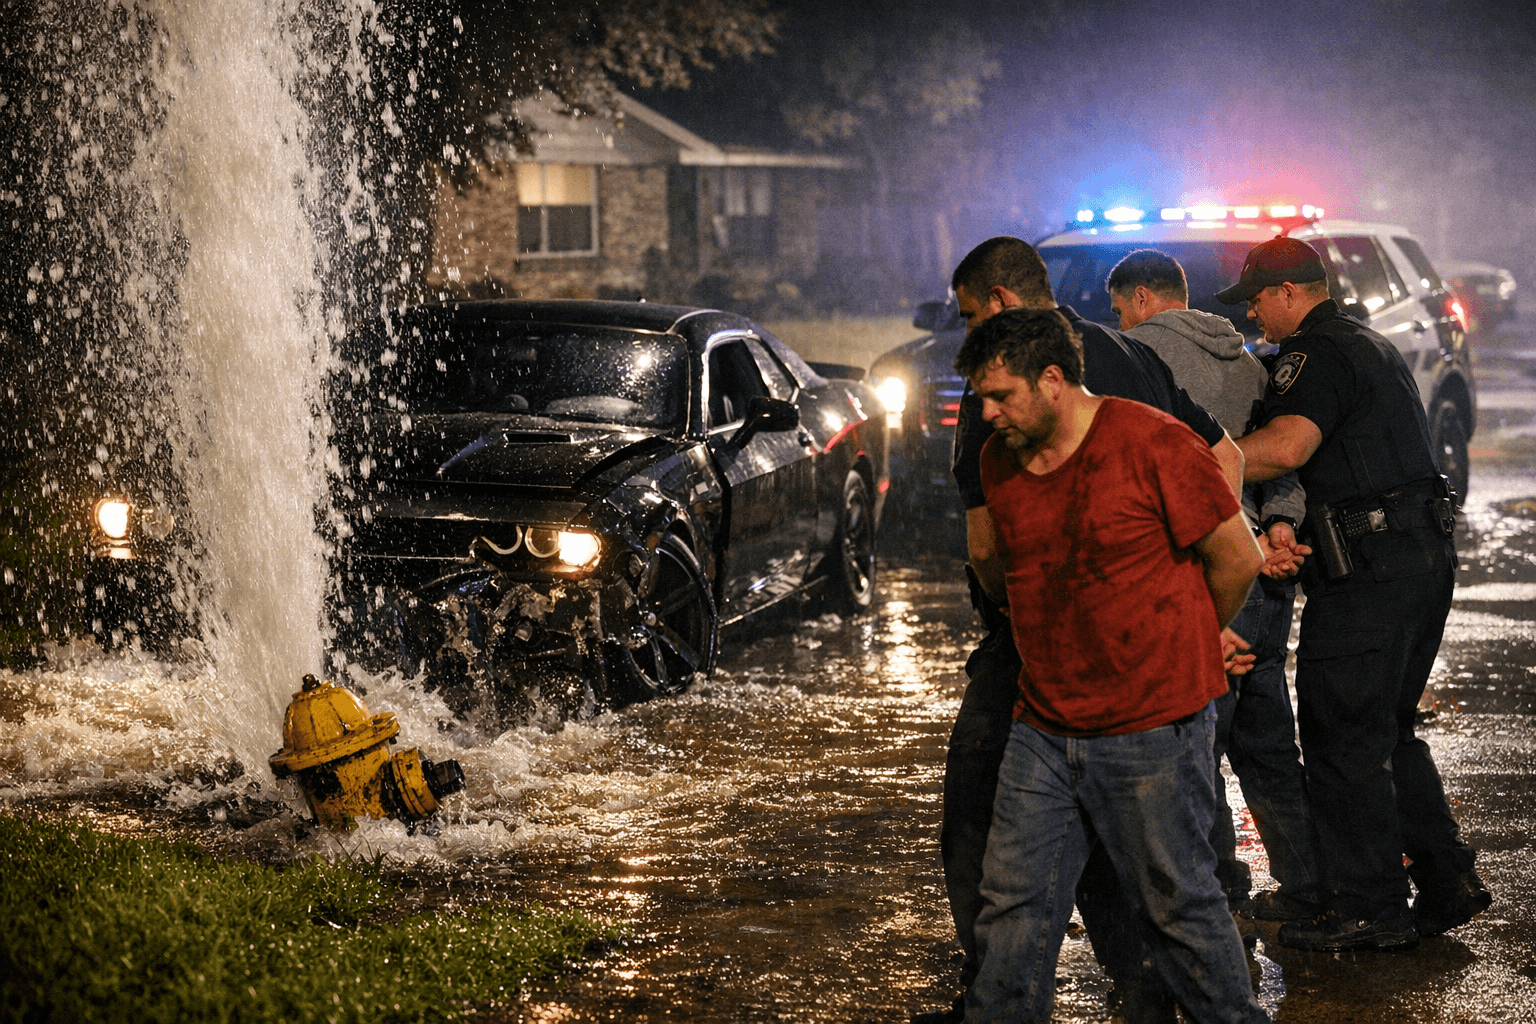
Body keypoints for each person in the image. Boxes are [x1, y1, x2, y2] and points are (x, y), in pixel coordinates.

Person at [924, 236, 1245, 1024]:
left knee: (1182, 901)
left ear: (1054, 381)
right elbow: (997, 560)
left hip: (1152, 721)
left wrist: (1191, 630)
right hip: (1045, 716)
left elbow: (1231, 554)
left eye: (999, 398)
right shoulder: (1005, 455)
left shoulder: (1147, 441)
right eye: (982, 400)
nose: (984, 415)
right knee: (1014, 905)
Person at [1224, 236, 1492, 951]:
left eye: (1256, 298)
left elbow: (1286, 446)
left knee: (1343, 737)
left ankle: (1370, 907)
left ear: (1290, 292)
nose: (1252, 313)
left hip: (1371, 572)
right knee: (1386, 731)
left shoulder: (1313, 353)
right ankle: (1444, 879)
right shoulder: (1367, 341)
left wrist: (1198, 460)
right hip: (1415, 558)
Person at [1106, 249, 1324, 921]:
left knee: (1196, 743)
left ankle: (1220, 896)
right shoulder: (1250, 359)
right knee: (1264, 738)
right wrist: (1281, 525)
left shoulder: (1132, 357)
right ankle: (1309, 884)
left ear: (1141, 299)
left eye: (1118, 307)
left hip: (1206, 565)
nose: (1116, 319)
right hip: (1263, 562)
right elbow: (1276, 455)